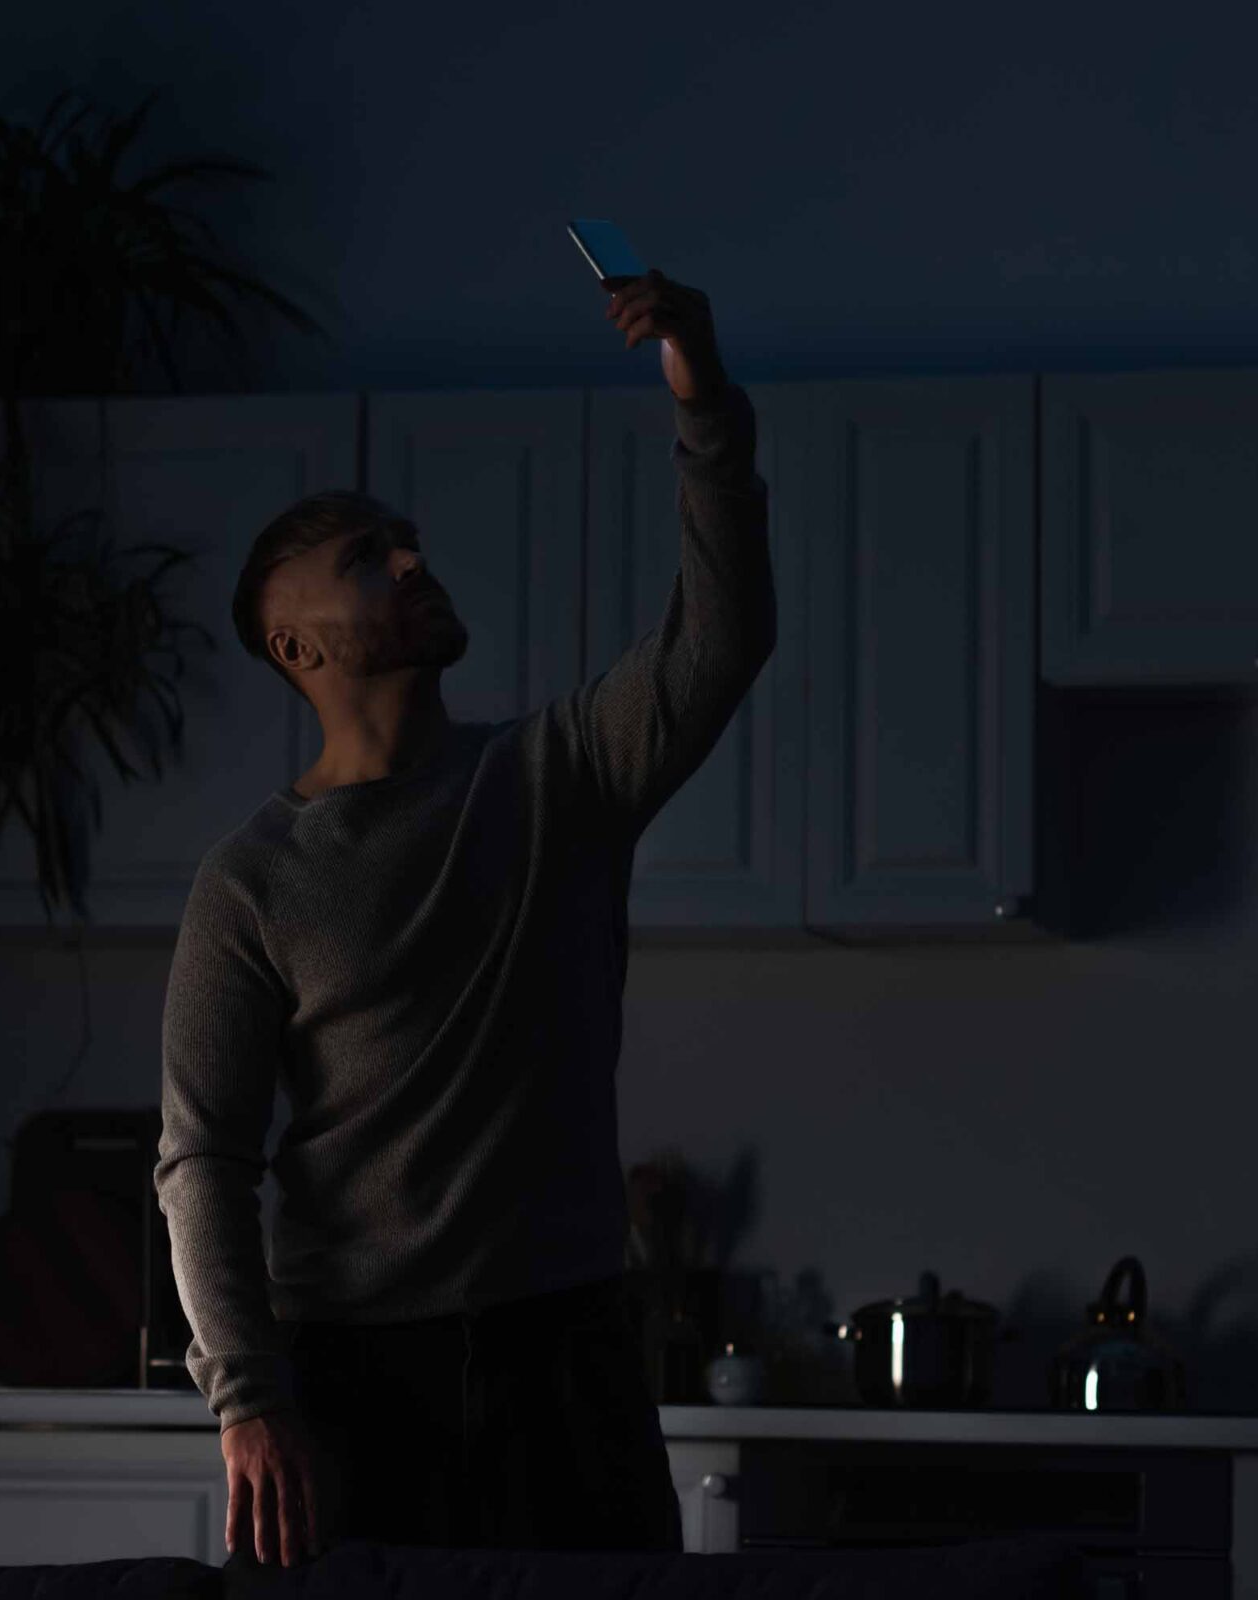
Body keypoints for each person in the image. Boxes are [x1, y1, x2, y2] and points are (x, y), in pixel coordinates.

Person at [153, 267, 773, 1565]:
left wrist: (701, 393)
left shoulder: (560, 776)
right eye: (366, 557)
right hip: (354, 1381)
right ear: (296, 647)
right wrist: (251, 1398)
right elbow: (204, 1159)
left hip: (570, 1355)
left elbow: (722, 640)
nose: (412, 560)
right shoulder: (252, 881)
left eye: (406, 540)